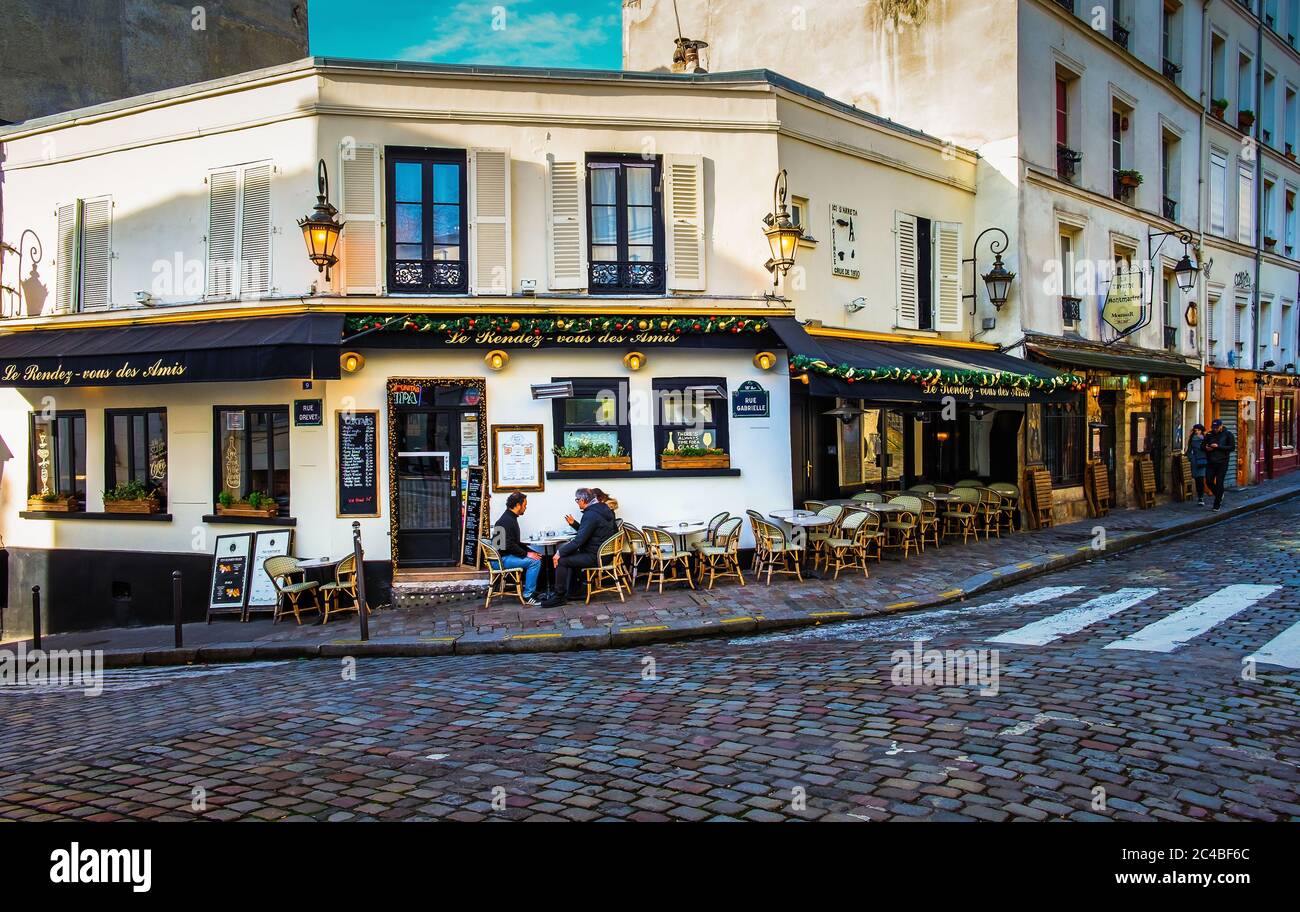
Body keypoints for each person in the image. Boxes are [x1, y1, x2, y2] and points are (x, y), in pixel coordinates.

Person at [542, 487, 618, 608]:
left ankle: (559, 596)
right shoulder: (604, 509)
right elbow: (592, 533)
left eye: (577, 500)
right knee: (570, 555)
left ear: (583, 500)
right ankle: (573, 591)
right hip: (605, 553)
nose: (577, 502)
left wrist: (559, 552)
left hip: (596, 556)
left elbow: (579, 540)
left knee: (562, 560)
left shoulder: (591, 514)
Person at [494, 492, 542, 605]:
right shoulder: (506, 521)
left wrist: (531, 552)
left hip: (504, 556)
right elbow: (507, 545)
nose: (525, 508)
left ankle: (532, 591)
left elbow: (512, 543)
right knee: (534, 562)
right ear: (517, 505)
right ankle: (528, 595)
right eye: (524, 505)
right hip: (500, 560)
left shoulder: (509, 518)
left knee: (537, 557)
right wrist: (527, 554)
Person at [1201, 417, 1236, 512]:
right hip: (1211, 462)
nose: (1215, 429)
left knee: (1220, 482)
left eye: (1216, 427)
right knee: (1208, 481)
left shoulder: (1228, 434)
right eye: (1213, 427)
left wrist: (1218, 447)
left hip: (1222, 462)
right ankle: (1219, 495)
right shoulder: (1209, 434)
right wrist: (1206, 448)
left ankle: (1216, 504)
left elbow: (1232, 447)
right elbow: (1202, 446)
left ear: (1221, 426)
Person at [1185, 424, 1208, 506]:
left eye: (1198, 430)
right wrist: (1190, 457)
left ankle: (1201, 497)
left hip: (1204, 460)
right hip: (1195, 461)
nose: (1197, 432)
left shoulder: (1206, 438)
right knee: (1198, 479)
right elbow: (1189, 451)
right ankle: (1200, 497)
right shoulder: (1192, 439)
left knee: (1201, 479)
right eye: (1195, 430)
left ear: (1201, 430)